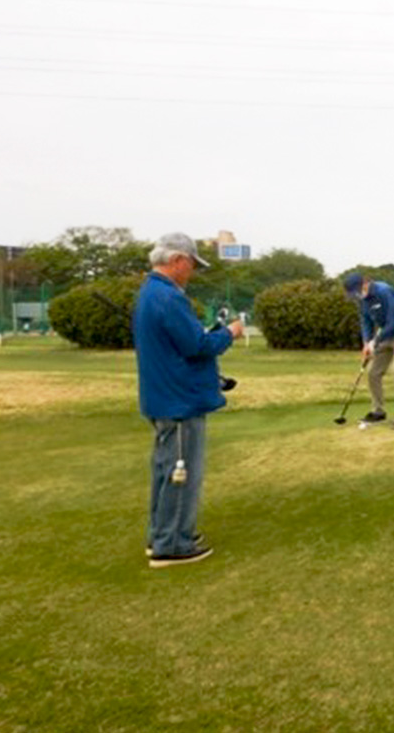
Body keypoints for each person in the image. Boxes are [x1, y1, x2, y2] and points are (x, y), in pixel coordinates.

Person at [134, 233, 244, 568]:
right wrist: (229, 333)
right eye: (192, 264)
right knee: (182, 472)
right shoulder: (168, 297)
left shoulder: (151, 293)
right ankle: (173, 544)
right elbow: (197, 346)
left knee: (167, 470)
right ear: (179, 260)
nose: (192, 271)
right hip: (179, 399)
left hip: (165, 396)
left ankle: (163, 535)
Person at [343, 273, 394, 429]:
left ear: (364, 283)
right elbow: (365, 321)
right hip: (384, 335)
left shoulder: (384, 291)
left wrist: (375, 342)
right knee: (373, 373)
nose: (356, 295)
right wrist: (366, 343)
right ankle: (378, 412)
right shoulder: (362, 300)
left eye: (357, 291)